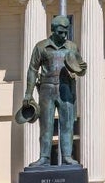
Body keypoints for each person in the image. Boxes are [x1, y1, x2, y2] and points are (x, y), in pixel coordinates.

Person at [22, 15, 87, 167]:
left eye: (66, 32)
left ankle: (67, 156)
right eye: (60, 32)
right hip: (47, 88)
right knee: (46, 124)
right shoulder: (41, 47)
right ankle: (44, 157)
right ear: (52, 30)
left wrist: (82, 69)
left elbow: (80, 68)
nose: (63, 36)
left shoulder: (71, 47)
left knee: (67, 124)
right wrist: (28, 93)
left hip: (66, 88)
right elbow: (32, 69)